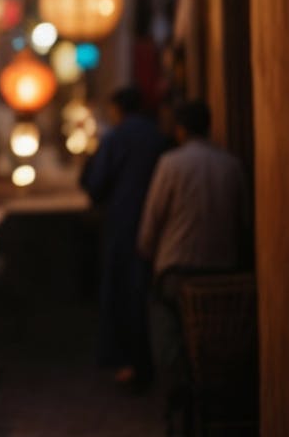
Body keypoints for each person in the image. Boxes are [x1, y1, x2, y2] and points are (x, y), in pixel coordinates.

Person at [138, 99, 249, 430]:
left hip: (178, 270)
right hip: (223, 272)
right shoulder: (231, 164)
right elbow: (243, 220)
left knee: (165, 324)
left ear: (181, 129)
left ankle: (176, 393)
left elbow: (151, 223)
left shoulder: (171, 164)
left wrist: (146, 253)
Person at [81, 85, 168, 388]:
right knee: (149, 292)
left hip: (123, 222)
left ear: (118, 109)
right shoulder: (159, 136)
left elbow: (96, 182)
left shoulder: (116, 138)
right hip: (161, 224)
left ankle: (133, 364)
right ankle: (155, 361)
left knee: (125, 291)